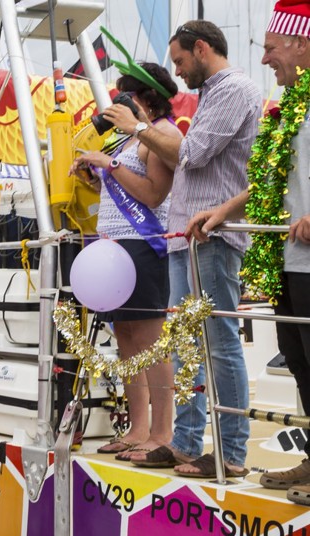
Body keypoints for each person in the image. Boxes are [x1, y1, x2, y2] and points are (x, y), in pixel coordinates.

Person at [104, 20, 261, 477]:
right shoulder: (214, 92)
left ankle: (231, 453)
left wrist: (138, 127)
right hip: (187, 238)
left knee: (219, 343)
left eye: (180, 61)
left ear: (202, 48)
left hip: (213, 235)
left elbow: (192, 154)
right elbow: (189, 156)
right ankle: (186, 442)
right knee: (185, 344)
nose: (178, 72)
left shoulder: (234, 89)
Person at [188, 1, 310, 500]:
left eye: (271, 48)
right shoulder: (290, 106)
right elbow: (269, 183)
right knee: (300, 363)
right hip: (288, 260)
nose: (264, 59)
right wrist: (224, 210)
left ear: (301, 43)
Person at [70, 63, 181, 459]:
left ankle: (162, 432)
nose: (117, 103)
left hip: (144, 245)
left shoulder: (163, 134)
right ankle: (138, 428)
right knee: (127, 340)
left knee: (151, 343)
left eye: (124, 96)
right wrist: (95, 174)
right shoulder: (129, 138)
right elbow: (122, 182)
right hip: (113, 247)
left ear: (143, 98)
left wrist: (110, 165)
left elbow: (153, 195)